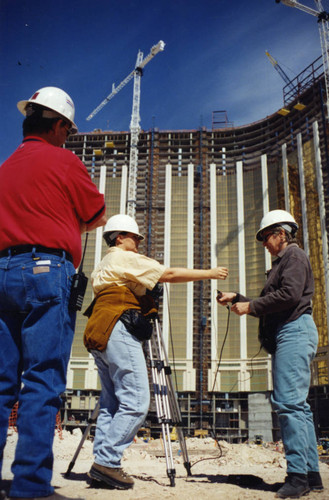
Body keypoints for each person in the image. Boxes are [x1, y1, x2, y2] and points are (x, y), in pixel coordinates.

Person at [0, 87, 107, 499]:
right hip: (46, 271)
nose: (68, 137)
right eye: (69, 130)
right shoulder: (64, 160)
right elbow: (95, 214)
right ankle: (30, 487)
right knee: (42, 380)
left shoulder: (6, 166)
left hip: (2, 271)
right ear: (59, 125)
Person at [83, 213, 228, 490]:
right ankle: (107, 462)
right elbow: (168, 274)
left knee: (112, 404)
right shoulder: (123, 258)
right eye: (134, 237)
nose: (138, 242)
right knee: (137, 401)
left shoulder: (103, 265)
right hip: (118, 325)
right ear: (120, 237)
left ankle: (101, 463)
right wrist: (209, 274)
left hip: (97, 331)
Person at [217, 209, 323, 499]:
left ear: (281, 233)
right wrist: (239, 299)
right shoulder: (285, 261)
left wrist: (250, 307)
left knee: (288, 403)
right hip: (290, 331)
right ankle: (310, 475)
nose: (263, 243)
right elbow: (276, 301)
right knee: (298, 407)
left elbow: (288, 295)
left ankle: (297, 477)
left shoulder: (293, 257)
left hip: (294, 331)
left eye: (266, 237)